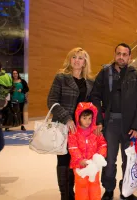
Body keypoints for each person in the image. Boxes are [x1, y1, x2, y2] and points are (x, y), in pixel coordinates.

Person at [91, 43, 137, 200]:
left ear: (129, 57)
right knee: (109, 159)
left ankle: (126, 189)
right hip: (110, 123)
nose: (121, 57)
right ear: (114, 54)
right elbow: (95, 96)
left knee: (128, 159)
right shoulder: (104, 73)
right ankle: (108, 189)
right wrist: (99, 120)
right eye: (119, 53)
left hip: (130, 126)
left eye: (125, 54)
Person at [47, 47, 94, 200]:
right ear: (69, 59)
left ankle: (76, 192)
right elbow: (52, 101)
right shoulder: (61, 77)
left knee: (77, 160)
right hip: (63, 126)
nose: (77, 60)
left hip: (82, 129)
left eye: (80, 58)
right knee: (64, 160)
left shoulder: (90, 82)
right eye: (74, 57)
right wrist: (67, 118)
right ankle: (66, 195)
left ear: (85, 61)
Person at [68, 102, 107, 200]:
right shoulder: (74, 133)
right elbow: (73, 148)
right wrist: (80, 160)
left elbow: (102, 144)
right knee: (81, 187)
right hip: (79, 166)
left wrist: (99, 157)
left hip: (93, 165)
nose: (87, 121)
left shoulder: (95, 131)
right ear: (78, 118)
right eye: (84, 118)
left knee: (94, 186)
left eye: (90, 118)